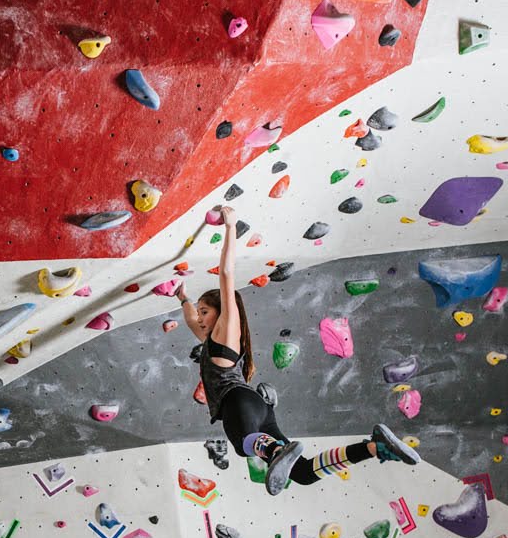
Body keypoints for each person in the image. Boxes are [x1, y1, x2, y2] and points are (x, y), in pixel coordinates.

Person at [176, 205, 420, 496]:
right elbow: (191, 319)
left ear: (221, 314)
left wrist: (230, 227)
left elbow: (227, 275)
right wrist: (182, 295)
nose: (200, 319)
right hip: (256, 408)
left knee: (243, 444)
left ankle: (276, 450)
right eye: (200, 313)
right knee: (303, 474)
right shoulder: (212, 342)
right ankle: (373, 447)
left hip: (238, 403)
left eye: (205, 312)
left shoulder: (228, 333)